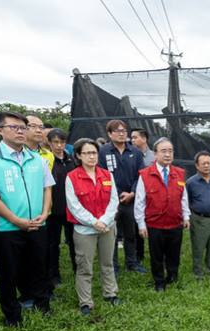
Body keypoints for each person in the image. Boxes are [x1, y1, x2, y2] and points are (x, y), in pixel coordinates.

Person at [0, 111, 54, 327]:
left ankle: (42, 304)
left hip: (38, 223)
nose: (20, 131)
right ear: (0, 130)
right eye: (14, 127)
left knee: (39, 266)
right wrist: (15, 220)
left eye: (23, 127)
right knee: (8, 272)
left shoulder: (37, 158)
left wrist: (45, 213)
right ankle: (12, 315)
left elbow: (48, 188)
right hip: (6, 227)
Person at [65, 138, 120, 315]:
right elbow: (74, 206)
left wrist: (104, 221)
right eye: (87, 153)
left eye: (94, 152)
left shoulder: (107, 175)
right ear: (79, 156)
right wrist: (94, 222)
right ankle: (86, 302)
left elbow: (114, 200)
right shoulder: (72, 177)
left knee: (107, 262)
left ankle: (110, 293)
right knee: (84, 267)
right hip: (84, 230)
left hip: (107, 227)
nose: (92, 156)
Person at [135, 138, 190, 291]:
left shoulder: (179, 173)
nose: (167, 154)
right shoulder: (145, 175)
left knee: (174, 252)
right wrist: (141, 224)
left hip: (175, 222)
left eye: (170, 151)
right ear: (155, 154)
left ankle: (172, 276)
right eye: (163, 151)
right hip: (155, 224)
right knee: (157, 255)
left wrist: (186, 216)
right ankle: (159, 281)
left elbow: (183, 197)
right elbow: (140, 201)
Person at [99, 119, 146, 273]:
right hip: (111, 200)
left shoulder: (136, 152)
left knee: (130, 232)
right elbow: (101, 175)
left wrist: (132, 193)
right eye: (117, 131)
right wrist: (116, 195)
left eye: (124, 131)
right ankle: (113, 265)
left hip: (131, 199)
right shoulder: (104, 151)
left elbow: (141, 175)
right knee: (111, 233)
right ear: (109, 134)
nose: (121, 133)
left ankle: (131, 262)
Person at [45, 128, 77, 288]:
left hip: (71, 209)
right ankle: (54, 275)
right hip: (53, 210)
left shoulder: (72, 160)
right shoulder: (46, 161)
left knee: (74, 242)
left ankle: (78, 270)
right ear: (49, 143)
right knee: (53, 244)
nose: (59, 145)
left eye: (62, 142)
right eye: (55, 142)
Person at [187, 151, 210, 278]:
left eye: (209, 163)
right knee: (198, 246)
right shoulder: (191, 182)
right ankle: (198, 273)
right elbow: (187, 201)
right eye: (203, 163)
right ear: (197, 165)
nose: (207, 166)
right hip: (199, 219)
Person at [130, 127, 153, 264]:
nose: (132, 140)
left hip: (151, 196)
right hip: (136, 194)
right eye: (131, 138)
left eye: (135, 137)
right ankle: (138, 254)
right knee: (135, 224)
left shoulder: (153, 156)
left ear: (144, 139)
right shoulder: (130, 155)